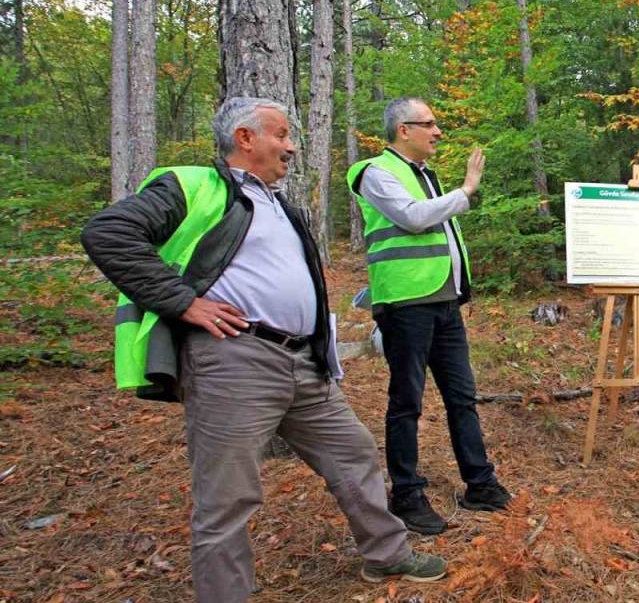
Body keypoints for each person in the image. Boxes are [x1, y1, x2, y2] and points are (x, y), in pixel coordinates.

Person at [80, 97, 446, 602]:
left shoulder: (279, 203)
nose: (291, 146)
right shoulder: (192, 185)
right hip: (234, 360)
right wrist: (183, 302)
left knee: (354, 452)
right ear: (246, 138)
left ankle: (387, 555)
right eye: (281, 134)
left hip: (304, 363)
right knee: (227, 497)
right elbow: (108, 232)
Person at [345, 97, 510, 536]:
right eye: (430, 124)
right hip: (406, 303)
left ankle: (480, 484)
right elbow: (414, 219)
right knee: (407, 401)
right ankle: (407, 494)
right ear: (404, 129)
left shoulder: (424, 175)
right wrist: (466, 189)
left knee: (462, 397)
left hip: (443, 302)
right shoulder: (376, 173)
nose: (437, 132)